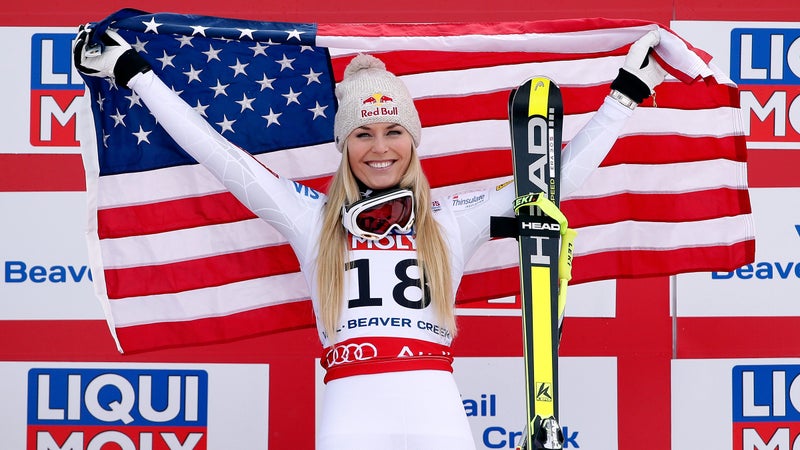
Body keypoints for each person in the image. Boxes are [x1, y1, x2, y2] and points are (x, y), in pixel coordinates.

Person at [74, 23, 665, 449]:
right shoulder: (310, 218)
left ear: (413, 140)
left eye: (392, 131)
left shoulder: (449, 220)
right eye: (362, 133)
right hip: (350, 421)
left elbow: (547, 183)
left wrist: (622, 100)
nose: (379, 148)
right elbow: (216, 152)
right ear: (343, 145)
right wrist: (137, 75)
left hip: (440, 420)